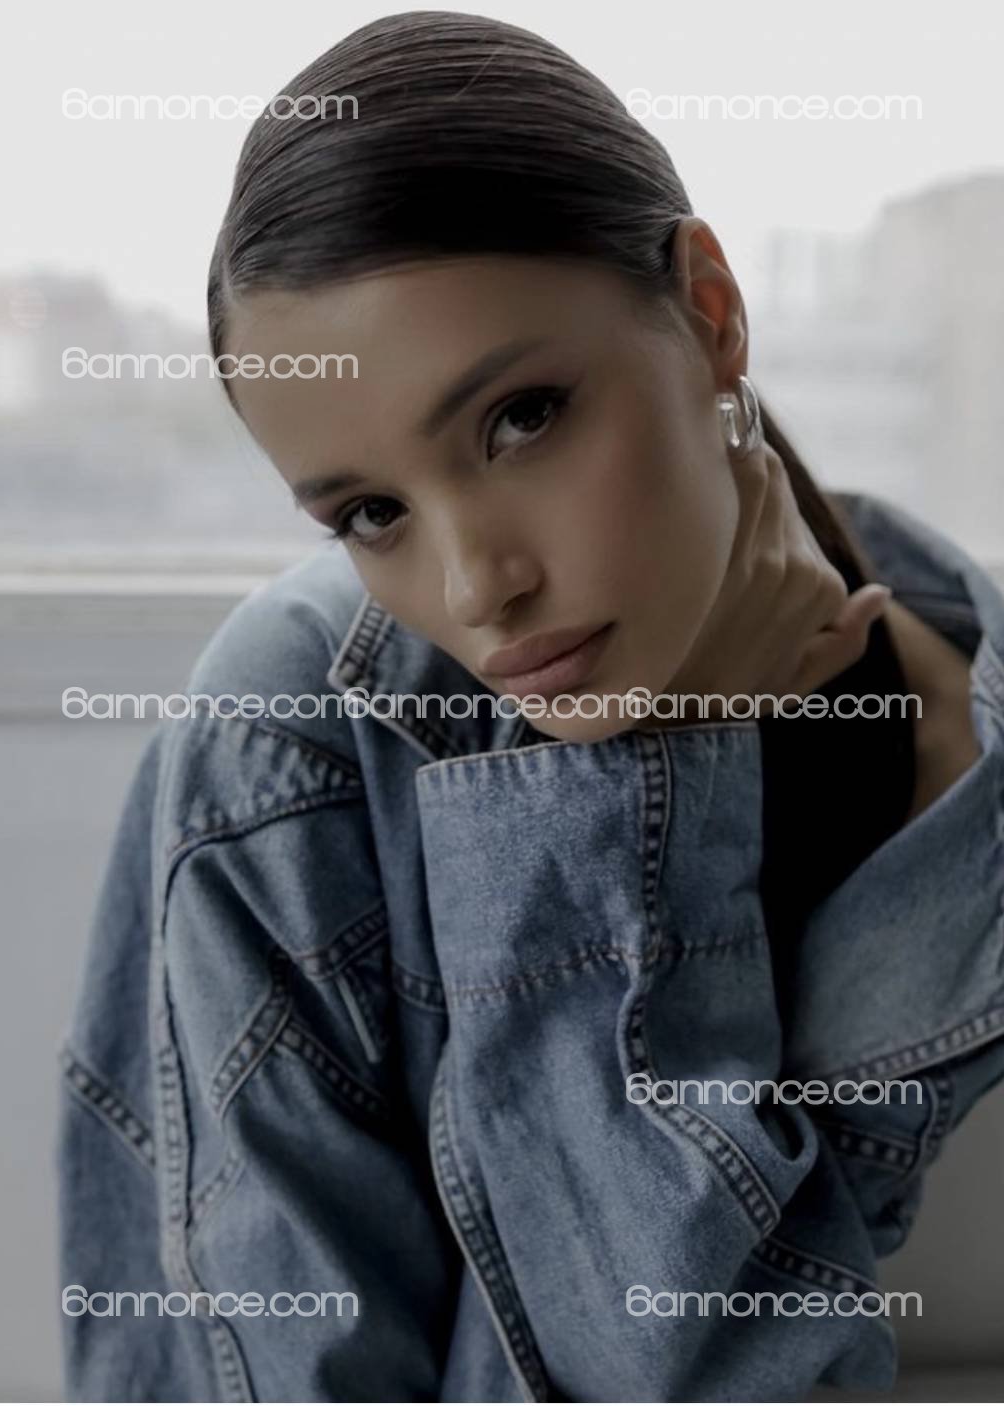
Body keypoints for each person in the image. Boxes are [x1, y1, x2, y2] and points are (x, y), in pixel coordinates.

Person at [57, 12, 1004, 1402]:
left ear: (711, 312)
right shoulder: (288, 749)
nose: (476, 585)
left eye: (521, 419)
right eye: (371, 513)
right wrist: (632, 794)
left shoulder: (969, 813)